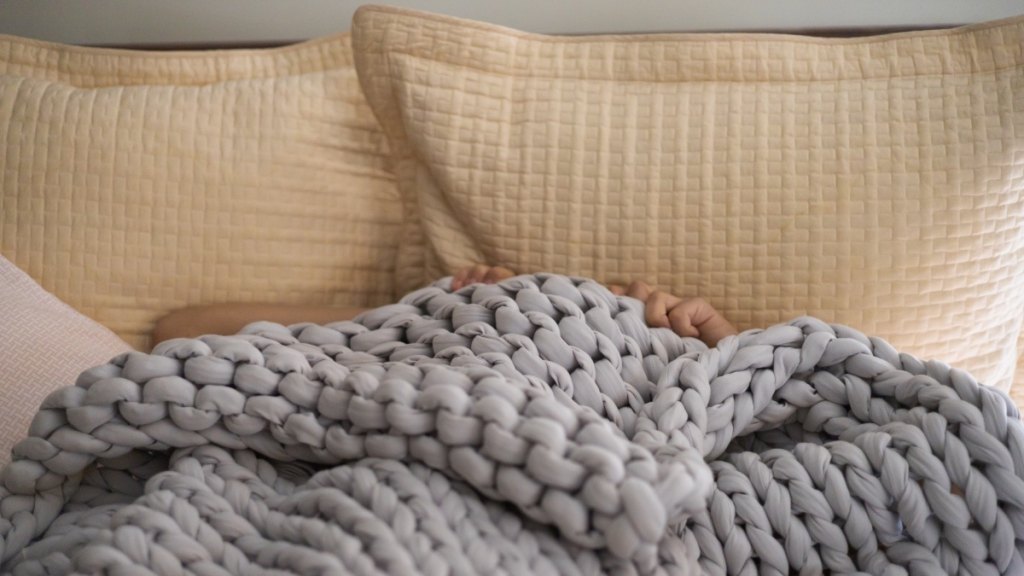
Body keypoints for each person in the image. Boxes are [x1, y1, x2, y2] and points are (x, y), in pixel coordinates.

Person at [153, 265, 738, 347]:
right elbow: (179, 333)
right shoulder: (400, 333)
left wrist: (719, 339)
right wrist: (403, 315)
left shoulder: (663, 345)